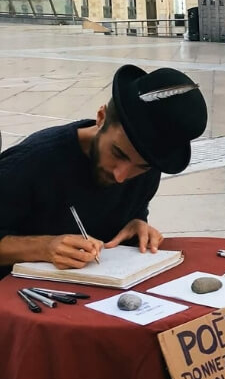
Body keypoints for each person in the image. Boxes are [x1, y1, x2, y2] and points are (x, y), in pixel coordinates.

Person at [0, 65, 208, 273]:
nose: (121, 175)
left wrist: (136, 224)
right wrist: (43, 248)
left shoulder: (149, 167)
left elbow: (134, 210)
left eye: (141, 167)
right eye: (118, 153)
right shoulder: (32, 161)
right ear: (101, 117)